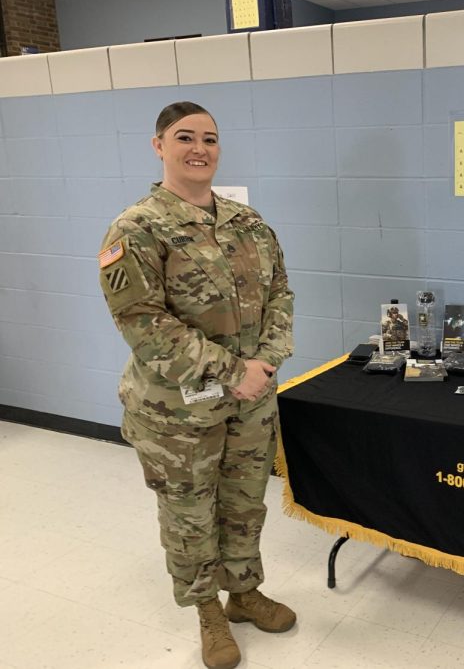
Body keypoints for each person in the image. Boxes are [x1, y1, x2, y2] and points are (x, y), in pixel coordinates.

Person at [97, 102, 295, 669]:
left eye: (210, 138)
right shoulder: (134, 229)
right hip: (177, 412)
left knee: (243, 502)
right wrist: (235, 371)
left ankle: (243, 593)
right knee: (189, 513)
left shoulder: (247, 222)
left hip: (251, 401)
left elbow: (282, 292)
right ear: (158, 146)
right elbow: (144, 324)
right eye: (185, 137)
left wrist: (267, 360)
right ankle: (207, 610)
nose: (199, 148)